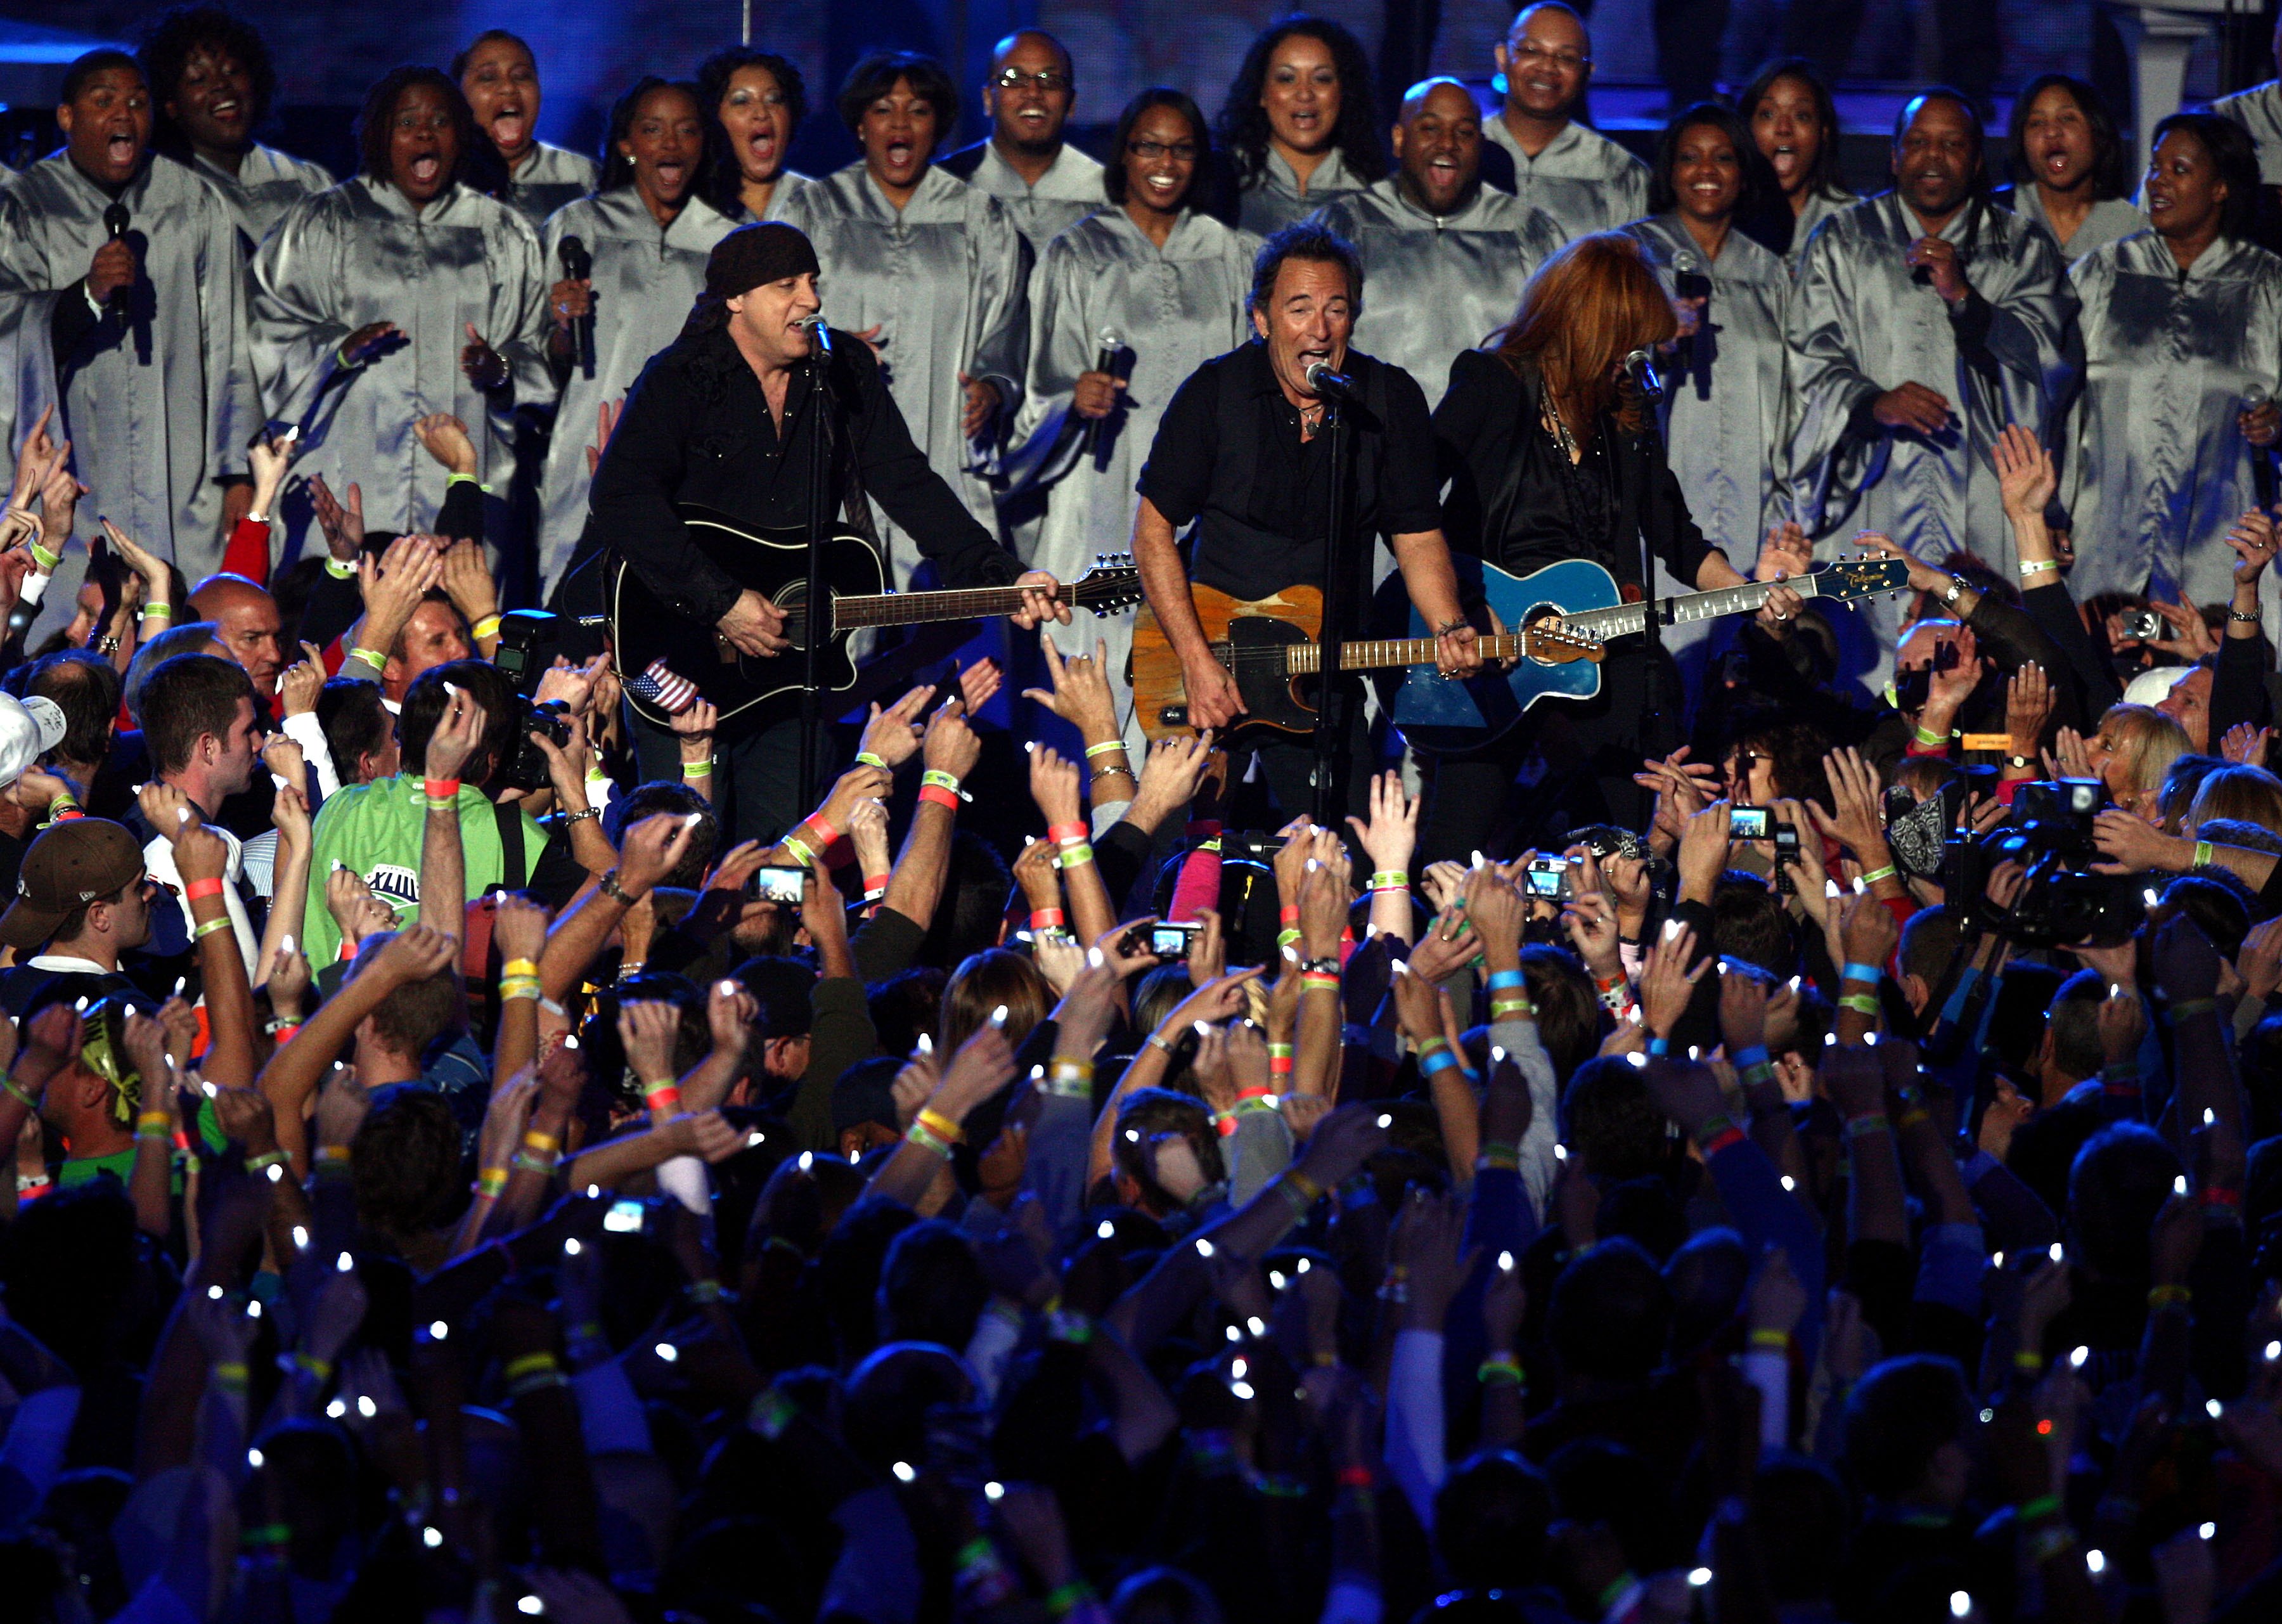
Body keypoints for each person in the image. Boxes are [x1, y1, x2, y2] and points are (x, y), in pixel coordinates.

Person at [584, 222, 1064, 841]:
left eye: (812, 282)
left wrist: (1004, 576)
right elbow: (621, 498)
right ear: (736, 297)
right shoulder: (679, 377)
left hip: (791, 671)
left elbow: (908, 485)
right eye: (788, 284)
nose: (811, 300)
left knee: (781, 856)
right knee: (685, 849)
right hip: (680, 658)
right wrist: (723, 602)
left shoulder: (841, 371)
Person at [1428, 233, 1772, 858]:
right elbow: (1411, 501)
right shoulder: (1494, 384)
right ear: (1591, 328)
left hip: (1598, 663)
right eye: (1628, 341)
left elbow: (1676, 537)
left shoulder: (1626, 418)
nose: (1635, 360)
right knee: (1457, 845)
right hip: (1499, 651)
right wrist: (1460, 608)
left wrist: (1756, 594)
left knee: (1635, 802)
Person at [1131, 221, 1479, 823]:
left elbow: (1416, 533)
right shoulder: (1215, 393)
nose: (1319, 329)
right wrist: (1194, 659)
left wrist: (1449, 624)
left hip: (1321, 675)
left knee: (1348, 850)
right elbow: (1152, 533)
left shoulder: (1387, 399)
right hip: (1209, 666)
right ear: (1262, 319)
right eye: (1299, 309)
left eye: (1336, 310)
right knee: (1186, 856)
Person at [1785, 89, 2079, 681]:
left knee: (1985, 658)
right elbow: (1807, 358)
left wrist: (1966, 300)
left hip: (1984, 498)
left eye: (1952, 144)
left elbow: (2053, 363)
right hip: (1874, 487)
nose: (1933, 158)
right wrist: (1873, 403)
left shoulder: (2019, 245)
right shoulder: (1844, 240)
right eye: (1917, 142)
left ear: (1976, 160)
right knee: (1865, 663)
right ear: (1893, 156)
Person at [1009, 89, 1258, 731]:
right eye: (1150, 145)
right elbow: (1039, 382)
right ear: (1125, 153)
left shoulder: (1232, 256)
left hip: (1204, 496)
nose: (1165, 162)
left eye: (1181, 148)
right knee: (1102, 669)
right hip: (1104, 487)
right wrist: (1074, 396)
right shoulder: (1079, 252)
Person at [0, 49, 261, 598]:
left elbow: (230, 344)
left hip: (182, 473)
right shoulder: (25, 206)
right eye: (104, 102)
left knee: (184, 628)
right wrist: (84, 298)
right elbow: (7, 330)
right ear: (67, 117)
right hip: (73, 466)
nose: (125, 115)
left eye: (138, 103)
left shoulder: (194, 202)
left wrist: (236, 473)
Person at [250, 65, 548, 545]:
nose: (425, 133)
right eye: (407, 123)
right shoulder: (325, 220)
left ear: (460, 137)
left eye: (441, 122)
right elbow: (269, 331)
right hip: (350, 471)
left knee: (460, 608)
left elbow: (534, 346)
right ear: (378, 135)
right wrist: (337, 350)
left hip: (466, 475)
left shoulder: (503, 233)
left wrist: (504, 371)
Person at [776, 52, 1029, 586]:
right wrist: (831, 344)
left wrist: (993, 386)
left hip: (945, 436)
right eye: (883, 109)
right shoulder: (816, 209)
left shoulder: (978, 216)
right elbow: (772, 315)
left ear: (936, 125)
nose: (898, 124)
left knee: (956, 625)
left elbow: (1006, 324)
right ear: (860, 124)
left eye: (916, 110)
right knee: (845, 606)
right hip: (838, 435)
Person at [2066, 113, 2282, 615]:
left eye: (2179, 169)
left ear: (2221, 188)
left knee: (2189, 685)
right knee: (2115, 668)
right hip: (2106, 545)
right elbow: (2055, 400)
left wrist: (2277, 425)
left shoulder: (2267, 285)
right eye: (2155, 167)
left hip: (2217, 553)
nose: (2158, 182)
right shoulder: (2104, 273)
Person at [534, 77, 735, 595]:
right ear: (627, 144)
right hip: (587, 442)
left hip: (690, 457)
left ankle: (651, 684)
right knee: (575, 600)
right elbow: (542, 360)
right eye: (653, 130)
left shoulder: (730, 240)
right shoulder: (579, 226)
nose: (670, 145)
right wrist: (559, 329)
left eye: (687, 131)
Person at [1311, 78, 1564, 415]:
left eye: (1464, 133)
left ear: (1480, 144)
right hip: (1372, 444)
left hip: (1494, 454)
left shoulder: (1531, 232)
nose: (1447, 144)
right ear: (1400, 139)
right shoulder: (1343, 226)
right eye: (1430, 129)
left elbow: (1561, 356)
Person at [1618, 105, 1793, 580]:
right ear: (1670, 173)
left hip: (1751, 499)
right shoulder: (1629, 255)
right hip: (1653, 490)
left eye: (1723, 158)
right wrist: (1658, 341)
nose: (1706, 171)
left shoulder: (1772, 274)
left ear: (1742, 175)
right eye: (1690, 158)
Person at [136, 6, 333, 252]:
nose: (220, 84)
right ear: (170, 105)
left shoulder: (307, 181)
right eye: (198, 79)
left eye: (233, 71)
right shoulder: (161, 194)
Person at [1483, 4, 1649, 241]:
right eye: (1531, 51)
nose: (1548, 67)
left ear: (1587, 72)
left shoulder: (1623, 175)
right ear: (1502, 58)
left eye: (1567, 58)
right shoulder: (1461, 152)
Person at [1214, 16, 1386, 235]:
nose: (1305, 94)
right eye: (1287, 78)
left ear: (1343, 92)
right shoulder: (1221, 181)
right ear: (1262, 93)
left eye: (1322, 79)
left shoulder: (1374, 196)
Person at [941, 30, 1101, 255]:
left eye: (1050, 80)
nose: (1034, 92)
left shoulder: (1107, 191)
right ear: (988, 99)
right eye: (1014, 79)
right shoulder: (945, 183)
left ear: (1071, 102)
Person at [0, 819, 157, 1015]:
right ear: (99, 916)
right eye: (138, 888)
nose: (151, 892)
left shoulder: (6, 989)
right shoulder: (130, 1018)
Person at [452, 29, 597, 228]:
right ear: (458, 97)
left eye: (521, 76)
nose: (508, 88)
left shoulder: (582, 175)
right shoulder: (439, 178)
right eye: (488, 77)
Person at [1994, 75, 2146, 264]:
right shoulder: (1993, 216)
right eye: (2037, 123)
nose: (2051, 132)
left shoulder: (2133, 230)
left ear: (2098, 135)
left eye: (2067, 118)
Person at [1736, 58, 1855, 271]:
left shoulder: (1854, 224)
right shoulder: (1724, 221)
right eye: (1768, 114)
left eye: (1801, 115)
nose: (1784, 128)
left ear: (1823, 132)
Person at [696, 46, 809, 224]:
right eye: (742, 101)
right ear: (714, 117)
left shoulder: (822, 205)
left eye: (774, 100)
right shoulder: (693, 206)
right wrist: (633, 159)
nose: (762, 113)